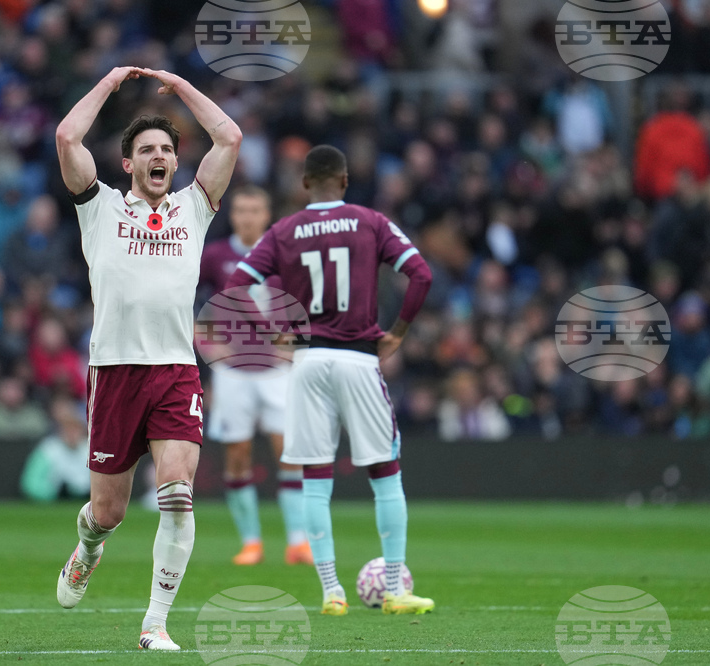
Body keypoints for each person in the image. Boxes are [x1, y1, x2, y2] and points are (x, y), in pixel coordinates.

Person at [54, 66, 241, 650]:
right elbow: (66, 138)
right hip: (113, 372)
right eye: (147, 150)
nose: (159, 156)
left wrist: (179, 86)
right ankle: (88, 546)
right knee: (107, 511)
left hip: (174, 371)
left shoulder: (195, 207)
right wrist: (109, 84)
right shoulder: (100, 208)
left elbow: (230, 137)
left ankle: (154, 624)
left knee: (178, 491)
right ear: (128, 163)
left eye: (167, 149)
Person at [226, 145, 434, 616]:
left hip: (308, 362)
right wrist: (397, 333)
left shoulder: (284, 230)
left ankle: (331, 592)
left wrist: (272, 332)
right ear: (343, 181)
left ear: (304, 185)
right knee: (385, 475)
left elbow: (236, 286)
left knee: (315, 481)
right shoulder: (370, 222)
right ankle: (396, 589)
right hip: (359, 358)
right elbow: (420, 275)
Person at [199, 185, 312, 567]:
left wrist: (297, 347)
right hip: (234, 373)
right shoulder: (215, 256)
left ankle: (298, 541)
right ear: (232, 215)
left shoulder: (286, 256)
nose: (248, 216)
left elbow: (309, 304)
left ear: (267, 215)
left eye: (255, 210)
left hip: (278, 372)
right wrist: (209, 345)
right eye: (241, 210)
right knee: (237, 454)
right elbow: (185, 299)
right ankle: (251, 542)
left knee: (289, 452)